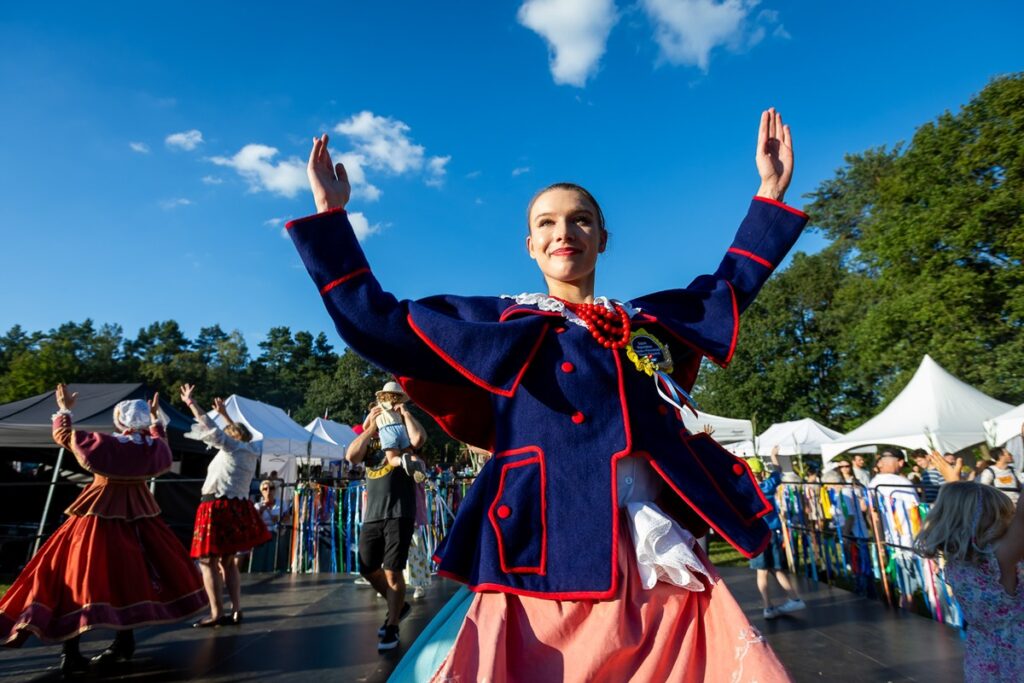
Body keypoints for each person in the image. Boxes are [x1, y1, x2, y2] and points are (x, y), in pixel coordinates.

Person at [291, 108, 806, 680]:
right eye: (548, 223)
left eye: (581, 220)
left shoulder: (641, 324)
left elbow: (726, 289)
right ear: (530, 246)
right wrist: (331, 218)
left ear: (603, 239)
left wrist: (768, 193)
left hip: (651, 553)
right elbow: (380, 325)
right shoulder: (500, 326)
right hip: (538, 553)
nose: (565, 232)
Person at [0, 385, 207, 674]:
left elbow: (63, 436)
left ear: (119, 421)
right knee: (133, 577)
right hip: (139, 513)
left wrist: (65, 410)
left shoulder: (104, 443)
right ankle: (124, 641)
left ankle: (71, 651)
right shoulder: (151, 448)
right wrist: (157, 422)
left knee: (77, 575)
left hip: (98, 512)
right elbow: (161, 443)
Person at [914, 452, 1024, 682]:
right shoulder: (1000, 559)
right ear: (990, 518)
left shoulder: (959, 558)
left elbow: (964, 507)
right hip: (1014, 663)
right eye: (1004, 515)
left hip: (982, 661)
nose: (1008, 520)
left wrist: (954, 481)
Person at [180, 384, 270, 627]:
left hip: (217, 507)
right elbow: (239, 431)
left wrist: (191, 403)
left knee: (208, 562)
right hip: (237, 508)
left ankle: (216, 612)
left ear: (231, 436)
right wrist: (225, 415)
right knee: (227, 562)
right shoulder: (251, 450)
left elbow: (210, 427)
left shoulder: (232, 447)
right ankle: (237, 610)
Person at [347, 402, 427, 651]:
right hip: (372, 514)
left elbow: (420, 437)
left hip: (399, 512)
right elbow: (351, 456)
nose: (386, 406)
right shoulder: (371, 442)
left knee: (393, 570)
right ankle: (399, 605)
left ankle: (392, 625)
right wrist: (370, 428)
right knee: (367, 568)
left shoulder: (403, 436)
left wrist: (405, 413)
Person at [748, 447, 806, 619]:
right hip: (772, 531)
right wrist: (773, 456)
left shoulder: (746, 491)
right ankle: (794, 598)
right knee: (776, 568)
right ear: (761, 472)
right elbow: (778, 471)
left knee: (762, 571)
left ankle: (768, 607)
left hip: (757, 534)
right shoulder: (769, 485)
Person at [366, 381, 427, 483]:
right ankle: (417, 463)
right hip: (401, 428)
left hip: (387, 431)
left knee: (392, 458)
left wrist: (374, 430)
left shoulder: (376, 409)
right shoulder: (399, 408)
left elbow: (365, 427)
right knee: (409, 453)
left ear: (382, 396)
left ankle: (402, 461)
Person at [251, 478, 291, 572]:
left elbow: (287, 518)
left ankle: (279, 569)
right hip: (263, 532)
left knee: (278, 540)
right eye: (265, 489)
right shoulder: (258, 505)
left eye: (271, 488)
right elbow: (255, 521)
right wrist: (261, 511)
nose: (269, 491)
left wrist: (279, 519)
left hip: (277, 532)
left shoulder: (281, 503)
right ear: (262, 492)